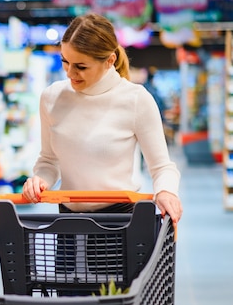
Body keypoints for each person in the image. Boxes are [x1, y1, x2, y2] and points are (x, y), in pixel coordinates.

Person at [22, 13, 183, 226]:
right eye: (65, 62)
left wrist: (166, 191)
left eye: (81, 66)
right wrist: (40, 180)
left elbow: (162, 166)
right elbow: (48, 160)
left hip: (120, 222)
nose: (70, 73)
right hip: (67, 222)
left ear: (110, 61)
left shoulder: (135, 99)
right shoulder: (52, 97)